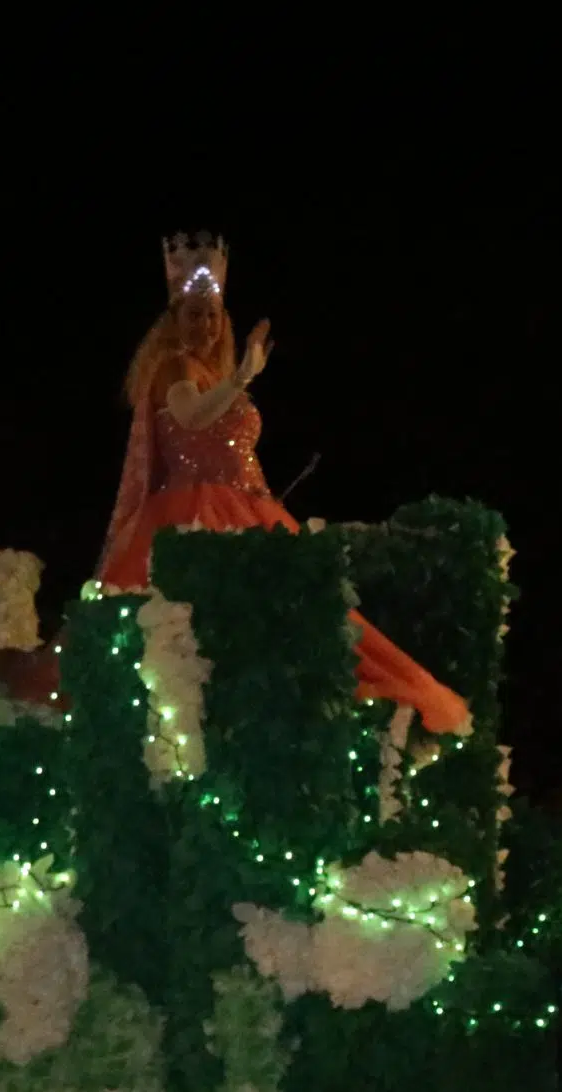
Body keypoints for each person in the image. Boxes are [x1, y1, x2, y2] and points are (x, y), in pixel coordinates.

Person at [96, 233, 469, 734]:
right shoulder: (177, 366)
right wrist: (240, 380)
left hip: (245, 506)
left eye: (211, 314)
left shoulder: (212, 372)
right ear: (174, 320)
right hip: (193, 513)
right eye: (193, 314)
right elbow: (190, 417)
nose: (203, 324)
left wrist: (236, 378)